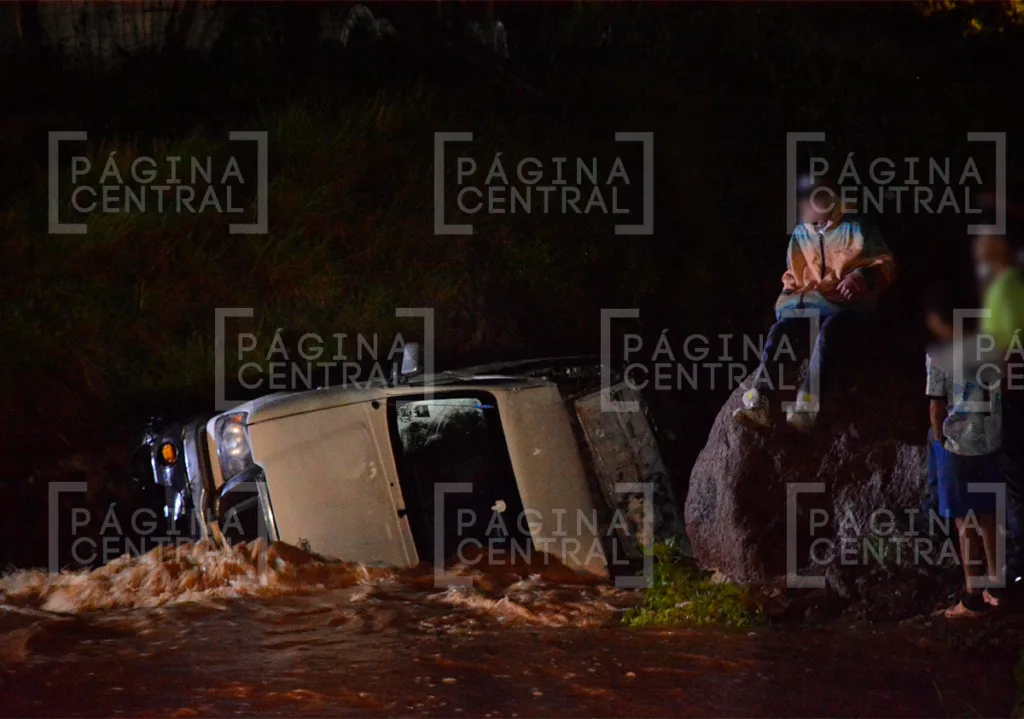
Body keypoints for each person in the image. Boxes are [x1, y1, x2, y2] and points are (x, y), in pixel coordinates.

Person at [734, 175, 897, 431]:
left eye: (812, 199)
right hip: (813, 304)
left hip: (850, 306)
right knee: (781, 332)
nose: (805, 207)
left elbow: (884, 261)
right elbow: (792, 276)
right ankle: (760, 399)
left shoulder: (855, 225)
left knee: (829, 334)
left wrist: (862, 276)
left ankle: (808, 405)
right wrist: (791, 299)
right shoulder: (801, 234)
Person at [925, 297, 1004, 618]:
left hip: (959, 445)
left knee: (966, 522)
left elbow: (936, 406)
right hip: (993, 441)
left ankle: (972, 599)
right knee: (989, 517)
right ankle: (996, 587)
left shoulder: (939, 354)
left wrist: (939, 438)